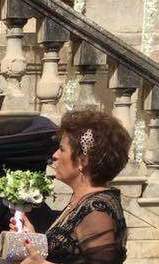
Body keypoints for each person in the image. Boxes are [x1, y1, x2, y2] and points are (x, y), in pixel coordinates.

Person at [11, 110, 131, 264]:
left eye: (62, 149)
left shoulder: (97, 210)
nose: (55, 155)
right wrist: (34, 243)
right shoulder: (82, 200)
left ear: (83, 161)